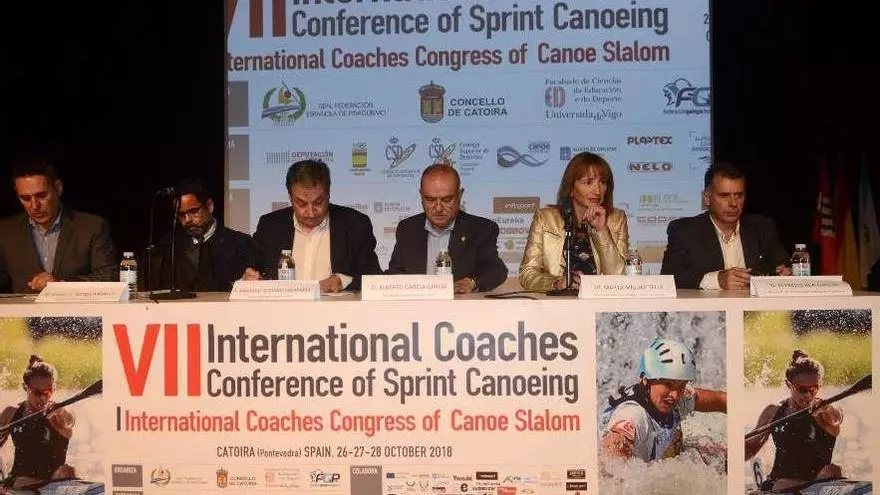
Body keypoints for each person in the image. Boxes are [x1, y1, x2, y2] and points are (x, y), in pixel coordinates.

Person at [246, 159, 381, 292]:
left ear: (328, 194)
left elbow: (372, 275)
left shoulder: (355, 224)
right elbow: (253, 270)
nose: (310, 212)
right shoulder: (270, 226)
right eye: (301, 203)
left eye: (318, 202)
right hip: (283, 306)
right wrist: (251, 279)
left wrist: (341, 281)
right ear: (290, 198)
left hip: (336, 306)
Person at [661, 162, 791, 290]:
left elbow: (782, 264)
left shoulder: (762, 227)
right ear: (707, 198)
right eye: (724, 195)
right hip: (710, 304)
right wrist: (717, 280)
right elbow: (670, 277)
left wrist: (784, 272)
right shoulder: (684, 231)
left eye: (739, 195)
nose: (733, 203)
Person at [600, 338, 727, 463]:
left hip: (657, 461)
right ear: (646, 379)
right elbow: (610, 463)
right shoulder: (633, 416)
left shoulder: (678, 398)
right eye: (668, 384)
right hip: (642, 468)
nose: (675, 395)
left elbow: (722, 400)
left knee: (718, 456)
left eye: (682, 385)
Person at [0, 158, 117, 293]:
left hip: (75, 306)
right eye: (25, 198)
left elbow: (109, 276)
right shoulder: (5, 231)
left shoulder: (91, 227)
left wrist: (61, 285)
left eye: (41, 195)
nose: (34, 206)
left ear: (58, 188)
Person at [386, 163, 507, 293]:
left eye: (447, 199)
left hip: (459, 304)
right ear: (421, 196)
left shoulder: (481, 229)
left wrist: (473, 282)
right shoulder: (408, 229)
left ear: (459, 195)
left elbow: (496, 270)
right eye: (430, 199)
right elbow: (395, 273)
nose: (438, 208)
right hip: (416, 303)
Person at [519, 151, 629, 291]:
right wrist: (556, 283)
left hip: (601, 301)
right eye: (588, 182)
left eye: (602, 183)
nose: (597, 190)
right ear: (571, 188)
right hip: (560, 302)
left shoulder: (616, 219)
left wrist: (602, 231)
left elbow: (620, 278)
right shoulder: (545, 218)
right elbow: (527, 273)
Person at [745, 350, 843, 493]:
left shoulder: (825, 412)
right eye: (802, 389)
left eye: (813, 388)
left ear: (820, 384)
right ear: (789, 385)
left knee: (833, 470)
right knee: (782, 484)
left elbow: (837, 418)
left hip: (820, 483)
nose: (808, 395)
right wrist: (727, 454)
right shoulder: (773, 412)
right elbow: (749, 448)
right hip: (780, 485)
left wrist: (826, 408)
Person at [147, 178, 254, 292]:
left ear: (209, 206)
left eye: (193, 212)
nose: (187, 220)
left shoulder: (239, 243)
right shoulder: (170, 244)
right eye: (181, 215)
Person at [0, 356, 76, 490]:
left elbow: (70, 420)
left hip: (56, 480)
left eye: (48, 392)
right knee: (21, 481)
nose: (43, 398)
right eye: (37, 393)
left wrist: (60, 413)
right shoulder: (11, 413)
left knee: (69, 470)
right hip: (21, 481)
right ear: (25, 387)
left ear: (54, 388)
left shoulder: (61, 413)